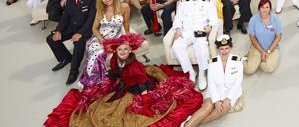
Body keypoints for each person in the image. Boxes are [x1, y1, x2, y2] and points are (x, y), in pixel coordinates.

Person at [44, 33, 203, 127]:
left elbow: (141, 85)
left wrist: (146, 102)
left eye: (126, 49)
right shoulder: (114, 60)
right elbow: (114, 73)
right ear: (116, 50)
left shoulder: (134, 66)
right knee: (98, 106)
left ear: (130, 51)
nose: (123, 52)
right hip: (123, 85)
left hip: (137, 89)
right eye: (120, 49)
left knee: (116, 114)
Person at [46, 0, 97, 85]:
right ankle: (65, 58)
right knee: (51, 38)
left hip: (86, 29)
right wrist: (58, 30)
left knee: (78, 43)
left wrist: (80, 33)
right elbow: (65, 17)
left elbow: (91, 18)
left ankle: (74, 70)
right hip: (72, 27)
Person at [184, 35, 243, 127]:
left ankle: (189, 123)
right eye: (221, 49)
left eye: (226, 48)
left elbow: (237, 82)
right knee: (208, 107)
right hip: (214, 91)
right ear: (218, 49)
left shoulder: (238, 61)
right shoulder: (212, 63)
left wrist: (228, 99)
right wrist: (216, 101)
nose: (224, 51)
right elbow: (211, 84)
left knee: (221, 110)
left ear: (231, 47)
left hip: (230, 93)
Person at [171, 0, 218, 91]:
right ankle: (190, 72)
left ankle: (202, 74)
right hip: (186, 32)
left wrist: (210, 26)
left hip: (200, 32)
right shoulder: (183, 3)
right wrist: (177, 29)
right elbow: (177, 19)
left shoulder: (208, 2)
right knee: (176, 46)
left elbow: (214, 19)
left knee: (201, 48)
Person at [79, 0, 127, 87]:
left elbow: (127, 24)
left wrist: (128, 39)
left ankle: (102, 79)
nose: (106, 0)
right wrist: (102, 40)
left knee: (100, 54)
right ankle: (95, 80)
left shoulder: (124, 7)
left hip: (116, 38)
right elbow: (94, 29)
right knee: (94, 52)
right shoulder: (100, 10)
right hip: (100, 38)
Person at [244, 0, 282, 74]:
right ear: (259, 9)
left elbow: (278, 37)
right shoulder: (253, 20)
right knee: (249, 70)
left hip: (272, 48)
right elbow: (252, 37)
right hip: (257, 47)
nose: (264, 10)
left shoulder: (276, 19)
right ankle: (247, 58)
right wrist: (261, 51)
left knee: (268, 68)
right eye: (262, 7)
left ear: (270, 9)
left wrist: (268, 51)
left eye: (267, 7)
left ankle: (257, 61)